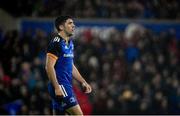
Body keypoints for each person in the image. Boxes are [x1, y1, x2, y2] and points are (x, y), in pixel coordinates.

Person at [45, 15, 92, 115]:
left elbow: (71, 66)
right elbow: (49, 67)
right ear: (61, 27)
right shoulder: (56, 43)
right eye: (70, 23)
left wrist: (83, 81)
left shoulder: (70, 43)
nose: (73, 25)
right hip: (60, 85)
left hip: (66, 85)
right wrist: (57, 87)